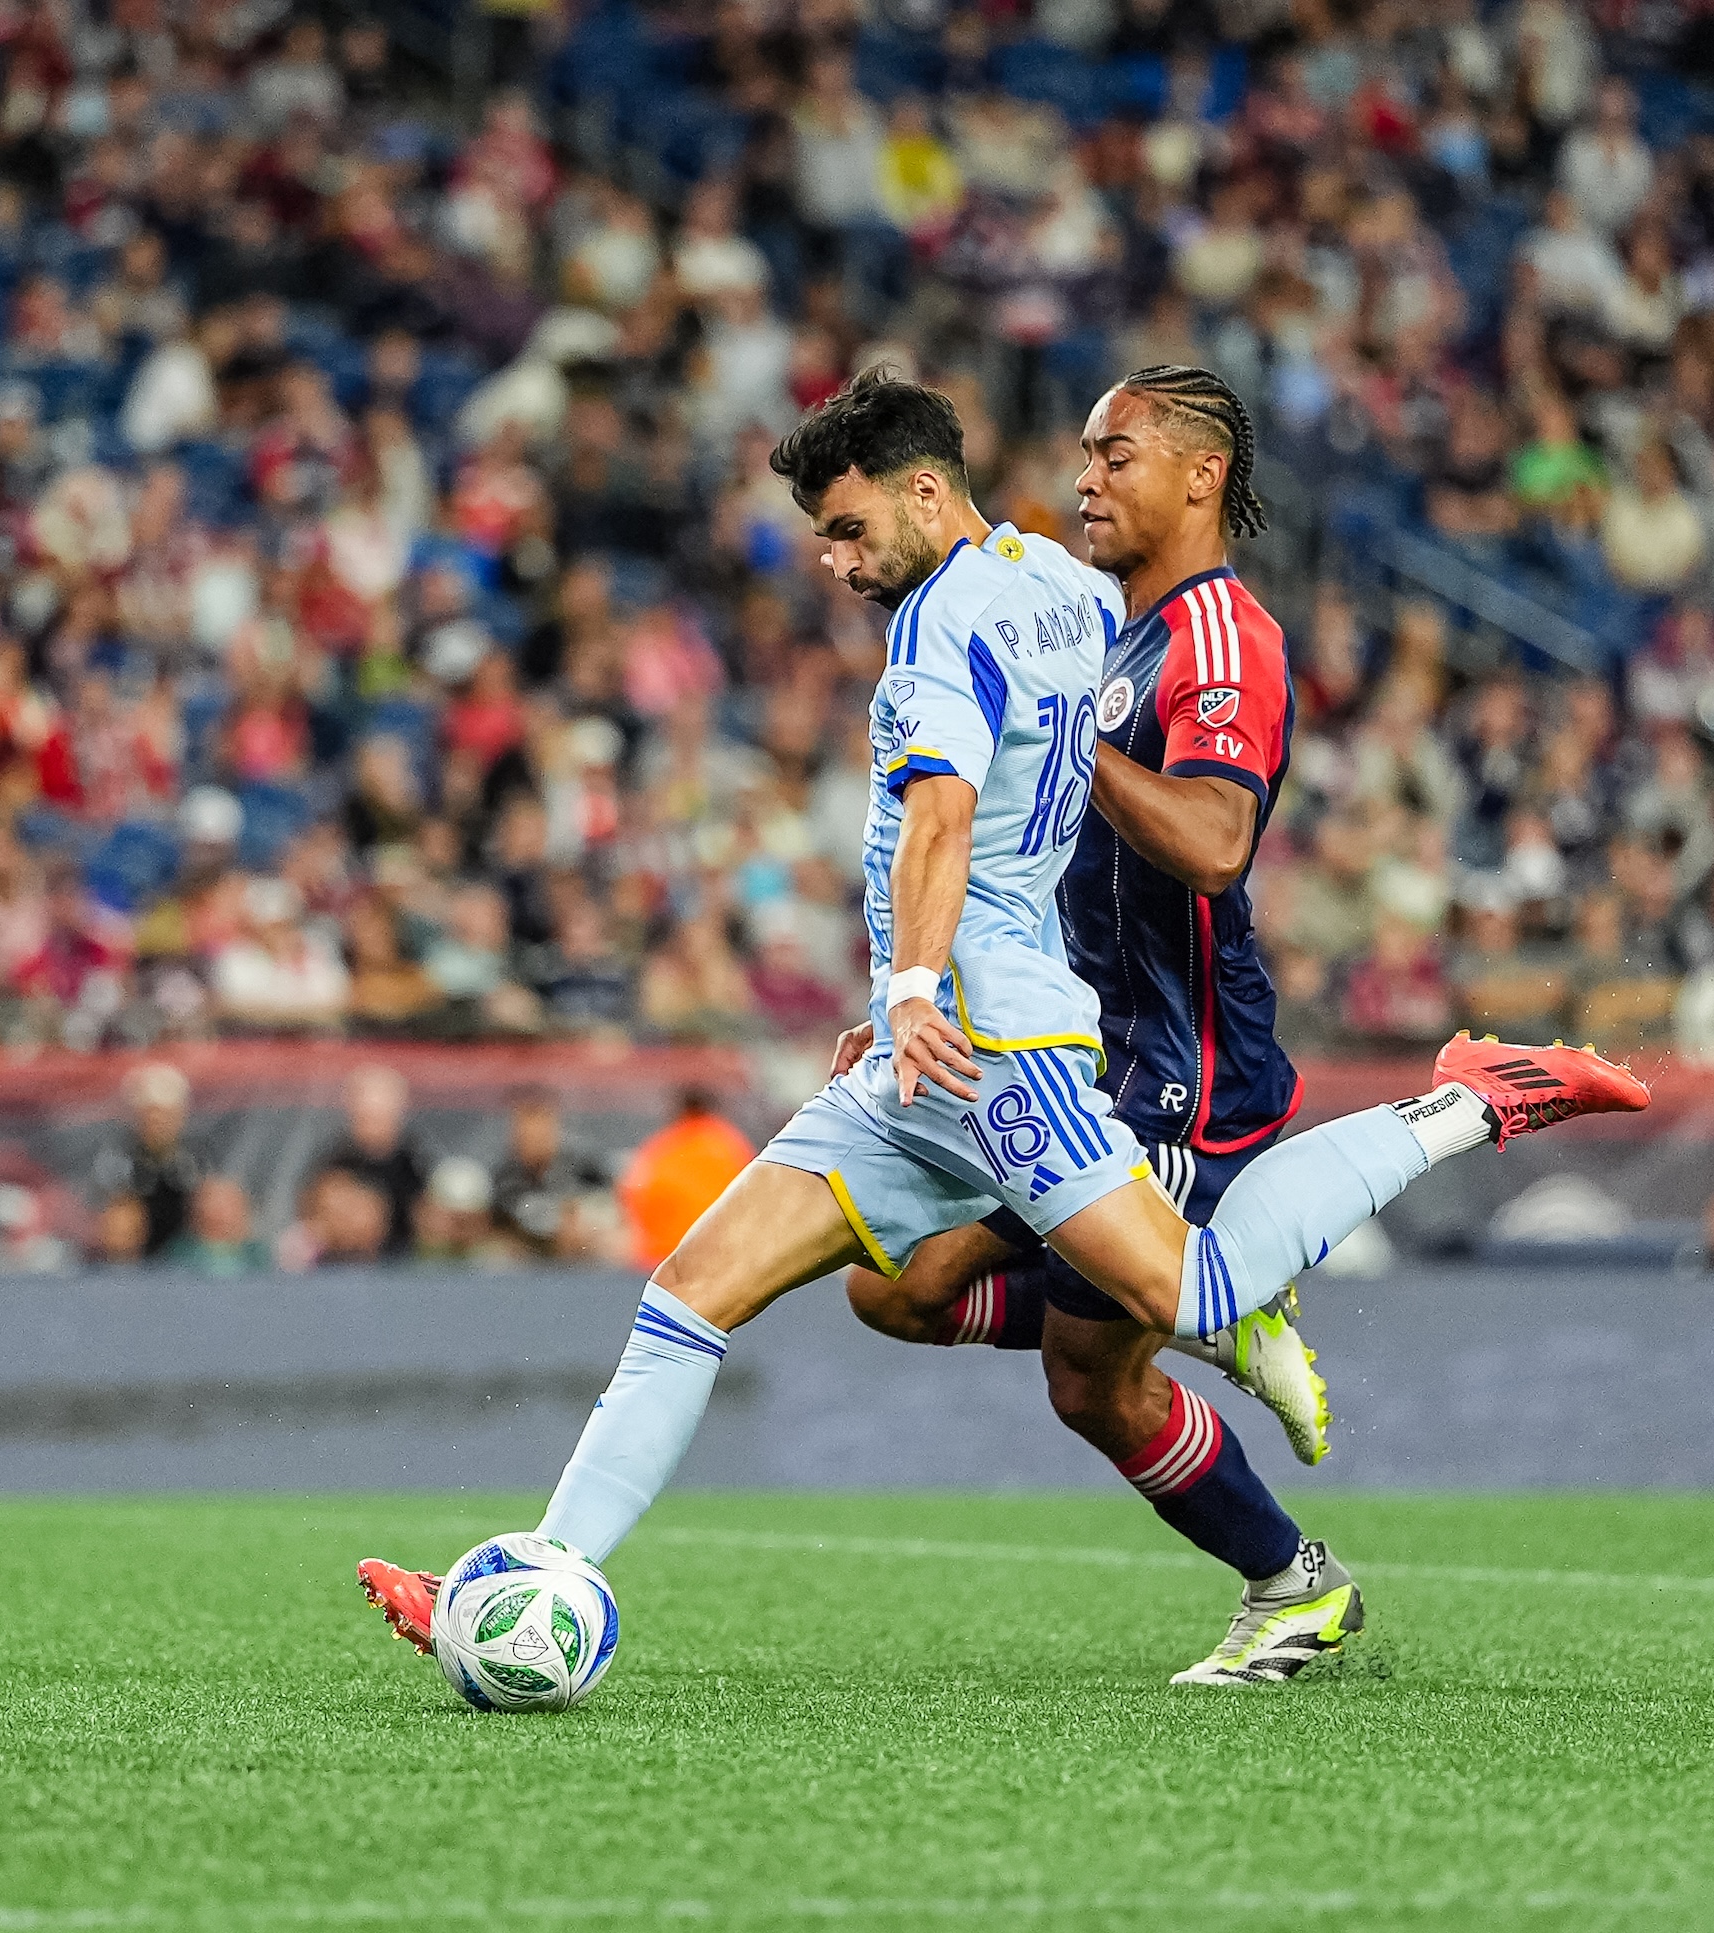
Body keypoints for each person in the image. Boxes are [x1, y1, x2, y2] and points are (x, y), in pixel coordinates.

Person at [359, 370, 1645, 1675]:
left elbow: (945, 820)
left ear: (927, 493)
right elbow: (1024, 769)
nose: (833, 560)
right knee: (701, 1291)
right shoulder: (1056, 585)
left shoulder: (947, 625)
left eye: (850, 528)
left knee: (1189, 1290)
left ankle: (1471, 1100)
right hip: (921, 1059)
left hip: (1000, 1054)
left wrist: (911, 987)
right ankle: (541, 1571)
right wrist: (897, 1000)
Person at [836, 367, 1352, 1682]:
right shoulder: (1101, 631)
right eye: (1083, 454)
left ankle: (1290, 1581)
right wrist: (910, 999)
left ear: (1201, 474)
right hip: (1071, 1045)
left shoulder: (1219, 638)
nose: (1084, 480)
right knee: (891, 1285)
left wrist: (1068, 742)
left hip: (1180, 1075)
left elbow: (1217, 843)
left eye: (1115, 455)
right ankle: (1196, 1303)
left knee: (1087, 1380)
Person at [616, 1086, 755, 1270]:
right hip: (720, 1256)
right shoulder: (731, 1144)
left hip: (663, 1258)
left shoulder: (663, 1146)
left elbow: (633, 1193)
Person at [90, 1063, 203, 1255]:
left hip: (187, 1257)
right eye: (150, 1115)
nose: (158, 1123)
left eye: (167, 1115)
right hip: (131, 1260)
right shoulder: (117, 1160)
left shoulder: (196, 1159)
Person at [488, 1086, 611, 1260]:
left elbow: (610, 1213)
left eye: (541, 1123)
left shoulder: (584, 1170)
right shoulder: (503, 1179)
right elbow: (497, 1229)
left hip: (582, 1258)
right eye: (525, 1125)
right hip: (528, 1259)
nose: (534, 1133)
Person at [317, 1065, 429, 1254]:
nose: (376, 1122)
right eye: (368, 1115)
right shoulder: (336, 1167)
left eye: (382, 1112)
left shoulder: (413, 1164)